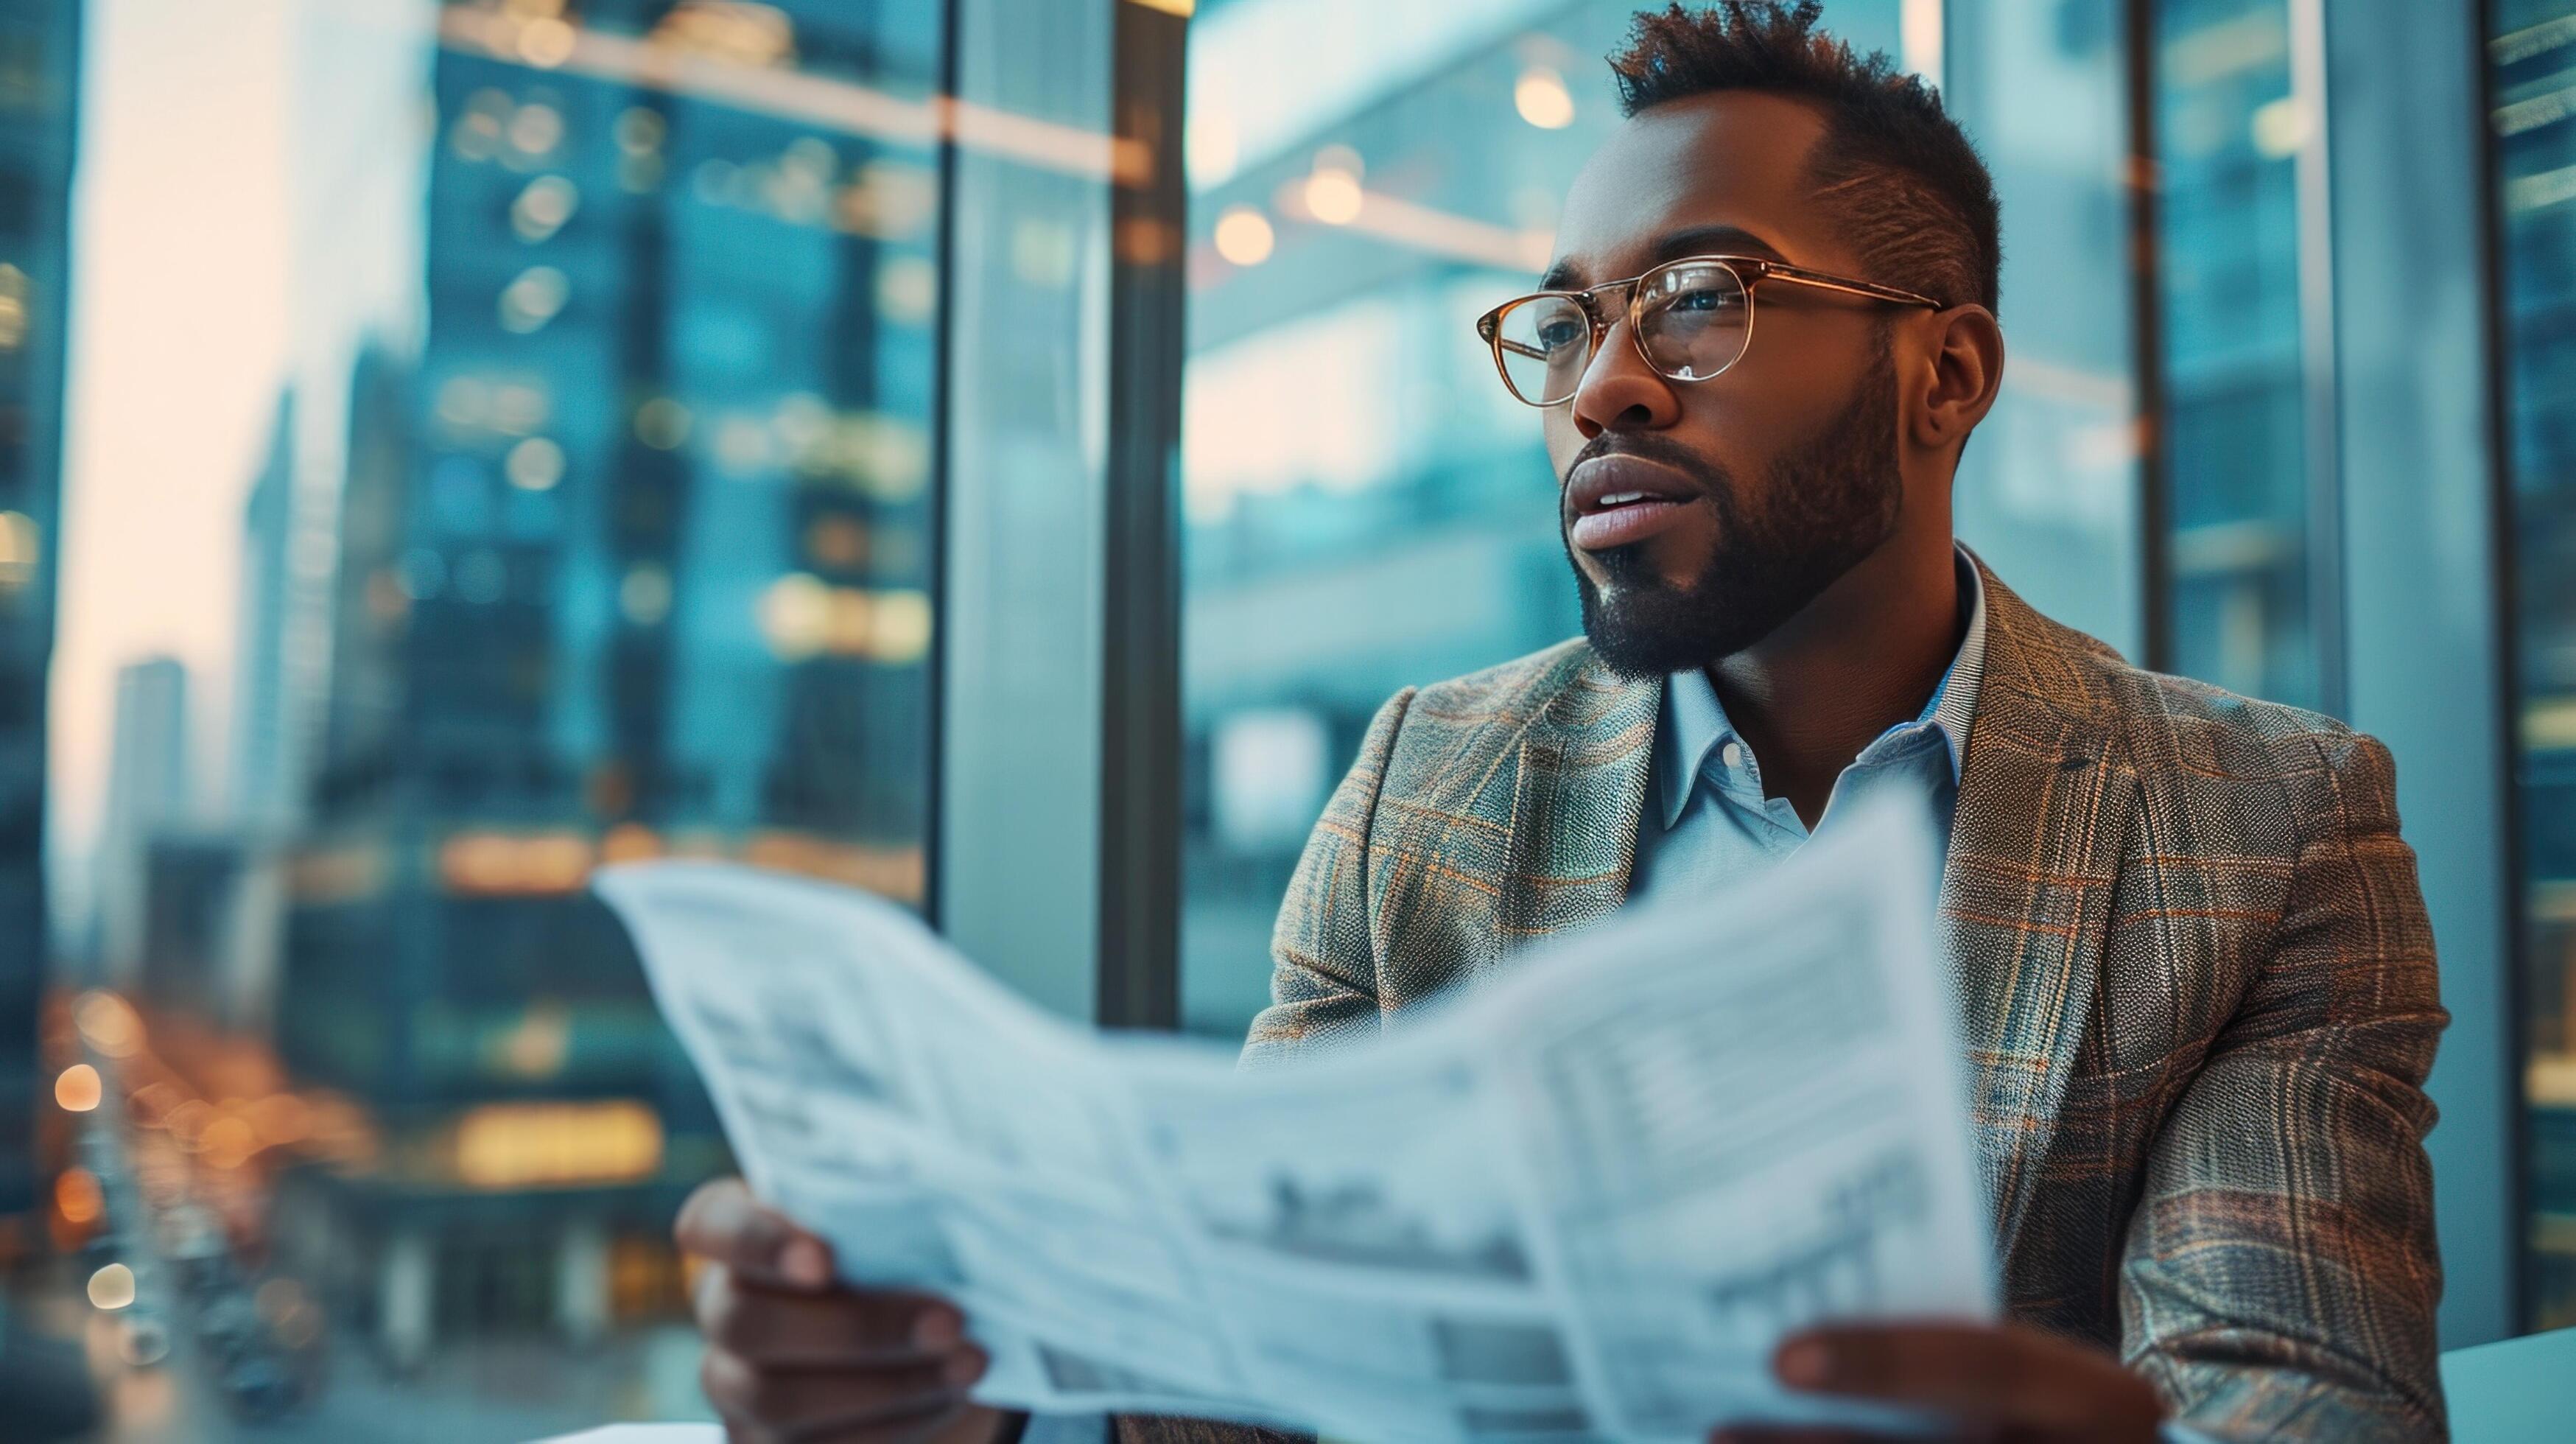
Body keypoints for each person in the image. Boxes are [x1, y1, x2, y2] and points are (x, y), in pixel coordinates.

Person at [672, 4, 2448, 1440]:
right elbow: (1240, 1389)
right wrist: (955, 1381)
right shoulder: (1422, 786)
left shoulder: (2267, 827)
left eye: (1700, 297)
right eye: (1569, 318)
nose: (1603, 380)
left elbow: (2297, 1394)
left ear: (1948, 374)